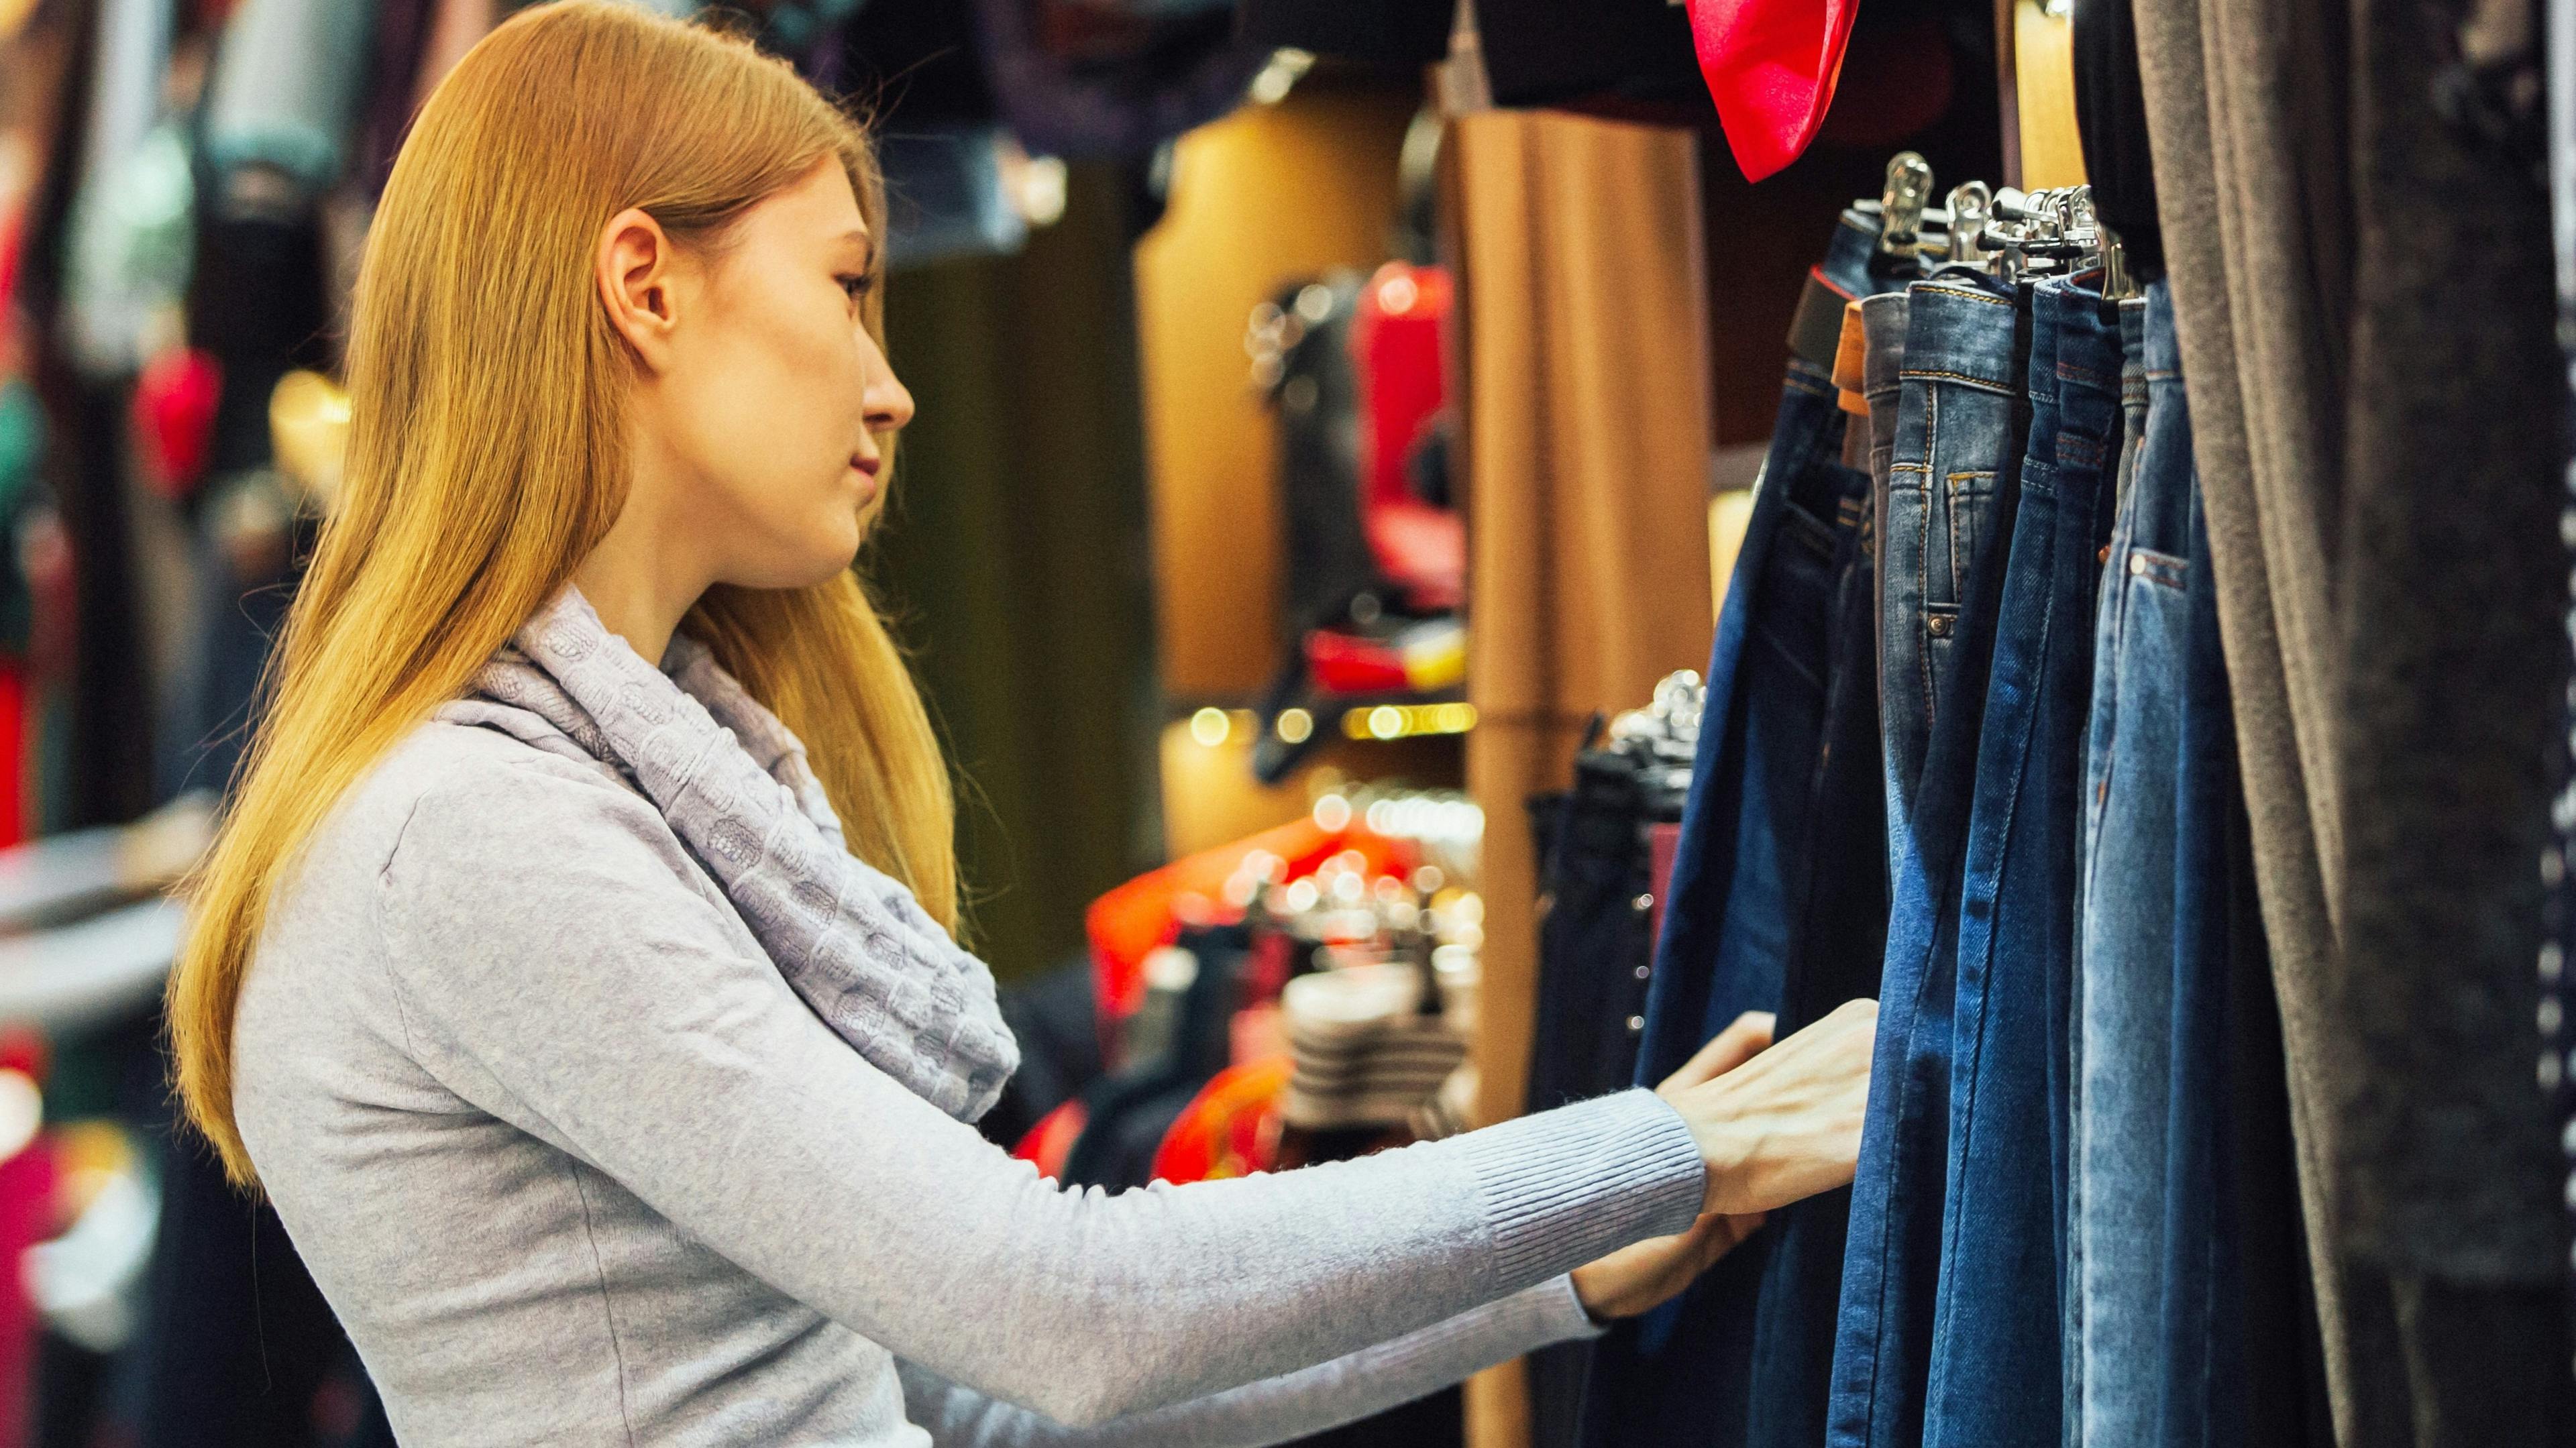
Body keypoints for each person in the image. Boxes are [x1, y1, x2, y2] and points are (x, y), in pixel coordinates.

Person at [162, 4, 1880, 1444]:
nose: (891, 382)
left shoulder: (575, 790)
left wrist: (1571, 1264)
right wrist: (1661, 1149)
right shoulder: (469, 834)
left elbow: (980, 1402)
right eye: (847, 285)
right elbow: (1057, 1307)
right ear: (644, 284)